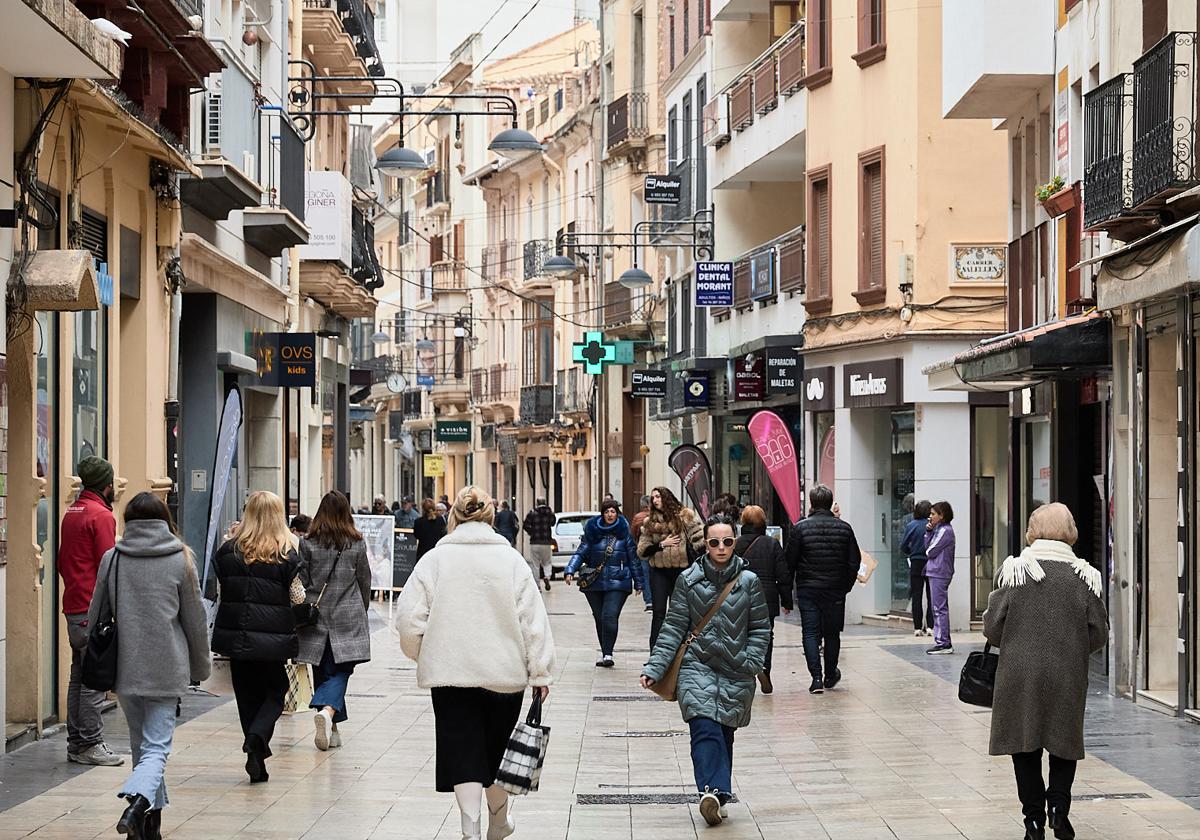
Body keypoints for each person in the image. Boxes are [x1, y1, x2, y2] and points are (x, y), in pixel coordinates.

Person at [395, 486, 556, 840]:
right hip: (504, 674)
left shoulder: (434, 561)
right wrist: (541, 672)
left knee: (462, 750)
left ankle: (470, 827)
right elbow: (534, 620)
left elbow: (408, 620)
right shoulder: (511, 560)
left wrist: (423, 652)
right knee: (499, 753)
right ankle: (499, 820)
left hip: (450, 674)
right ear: (491, 515)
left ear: (454, 516)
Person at [88, 492, 210, 839]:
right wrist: (200, 667)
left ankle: (146, 826)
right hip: (167, 668)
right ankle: (137, 805)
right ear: (164, 520)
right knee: (156, 749)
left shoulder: (113, 559)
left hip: (125, 669)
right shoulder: (181, 559)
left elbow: (96, 613)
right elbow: (195, 621)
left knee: (142, 747)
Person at [984, 503, 1108, 840]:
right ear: (1070, 531)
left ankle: (1033, 821)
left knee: (1024, 746)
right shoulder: (1084, 576)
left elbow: (993, 628)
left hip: (1018, 674)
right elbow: (1099, 633)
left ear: (1032, 529)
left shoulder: (1015, 571)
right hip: (1067, 673)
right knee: (1063, 743)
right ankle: (1059, 810)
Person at [640, 514, 770, 827]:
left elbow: (760, 627)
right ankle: (711, 791)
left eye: (727, 541)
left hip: (736, 667)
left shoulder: (749, 582)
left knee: (724, 732)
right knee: (704, 726)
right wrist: (655, 667)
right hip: (695, 665)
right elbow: (673, 626)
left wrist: (751, 660)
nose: (721, 547)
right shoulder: (689, 579)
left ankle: (719, 795)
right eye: (714, 542)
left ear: (734, 542)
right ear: (706, 544)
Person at [212, 491, 304, 783]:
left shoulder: (228, 551)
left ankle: (256, 753)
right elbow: (297, 596)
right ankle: (256, 738)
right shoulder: (286, 552)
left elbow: (222, 591)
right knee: (276, 691)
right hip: (273, 638)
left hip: (237, 634)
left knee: (247, 697)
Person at [58, 456, 123, 766]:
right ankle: (89, 743)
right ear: (107, 486)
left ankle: (76, 742)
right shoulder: (101, 516)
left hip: (73, 604)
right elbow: (108, 565)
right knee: (94, 678)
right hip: (91, 607)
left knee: (79, 676)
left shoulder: (72, 512)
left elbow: (62, 561)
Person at [297, 491, 372, 751]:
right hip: (347, 614)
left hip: (317, 615)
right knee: (341, 671)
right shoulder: (357, 543)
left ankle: (333, 728)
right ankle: (328, 713)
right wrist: (362, 609)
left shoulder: (307, 543)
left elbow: (303, 581)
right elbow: (364, 580)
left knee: (323, 670)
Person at [785, 484, 861, 694]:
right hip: (835, 589)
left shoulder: (801, 528)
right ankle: (830, 674)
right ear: (830, 502)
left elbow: (789, 562)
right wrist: (846, 585)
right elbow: (854, 561)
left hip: (808, 589)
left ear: (811, 503)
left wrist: (787, 595)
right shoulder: (844, 528)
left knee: (810, 632)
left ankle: (816, 678)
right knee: (832, 633)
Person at [564, 499, 645, 666]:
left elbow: (634, 559)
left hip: (618, 580)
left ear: (617, 513)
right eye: (607, 511)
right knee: (599, 618)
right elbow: (580, 552)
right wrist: (570, 569)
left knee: (609, 616)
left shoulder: (624, 534)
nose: (610, 515)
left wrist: (639, 582)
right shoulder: (592, 532)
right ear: (602, 513)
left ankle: (608, 655)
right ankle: (605, 651)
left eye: (613, 511)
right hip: (595, 582)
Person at [637, 487, 705, 650]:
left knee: (680, 612)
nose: (655, 500)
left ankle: (680, 650)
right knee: (659, 612)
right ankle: (655, 651)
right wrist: (661, 544)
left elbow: (700, 542)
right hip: (659, 571)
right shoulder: (650, 522)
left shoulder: (685, 516)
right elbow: (642, 551)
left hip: (682, 572)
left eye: (658, 496)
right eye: (653, 498)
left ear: (667, 497)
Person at [735, 505, 792, 695]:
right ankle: (764, 667)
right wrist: (787, 601)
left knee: (741, 634)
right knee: (766, 635)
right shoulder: (772, 544)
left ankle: (746, 671)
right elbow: (783, 575)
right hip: (767, 596)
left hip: (740, 596)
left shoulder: (736, 544)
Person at [923, 501, 957, 655]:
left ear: (942, 515)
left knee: (939, 608)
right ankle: (941, 640)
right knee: (937, 607)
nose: (930, 517)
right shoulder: (938, 530)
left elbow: (930, 551)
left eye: (933, 514)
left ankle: (943, 642)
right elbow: (927, 546)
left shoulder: (945, 531)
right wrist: (929, 532)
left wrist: (930, 537)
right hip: (935, 572)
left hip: (940, 572)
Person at [900, 500, 934, 637]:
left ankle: (917, 627)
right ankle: (931, 626)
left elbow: (903, 545)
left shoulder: (911, 525)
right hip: (931, 562)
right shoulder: (932, 525)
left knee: (916, 595)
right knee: (931, 595)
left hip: (916, 562)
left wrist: (912, 551)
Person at [522, 497, 556, 591]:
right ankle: (547, 576)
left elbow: (525, 525)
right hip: (546, 542)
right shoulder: (549, 512)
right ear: (545, 502)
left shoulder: (532, 513)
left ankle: (538, 586)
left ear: (536, 503)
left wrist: (532, 532)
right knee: (547, 562)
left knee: (535, 565)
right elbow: (553, 523)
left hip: (535, 542)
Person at [630, 494, 653, 611]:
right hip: (656, 549)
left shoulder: (638, 517)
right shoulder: (657, 516)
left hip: (643, 549)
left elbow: (633, 533)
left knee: (645, 575)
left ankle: (649, 602)